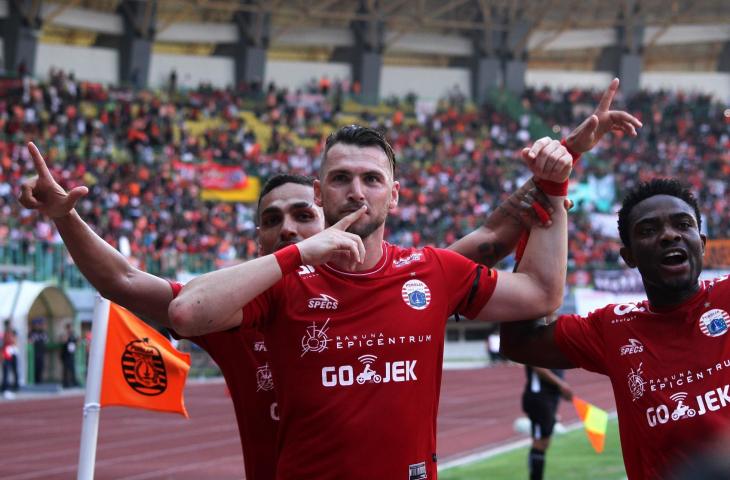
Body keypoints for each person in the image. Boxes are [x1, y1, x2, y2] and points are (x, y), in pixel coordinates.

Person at [19, 161, 553, 480]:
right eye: (272, 220)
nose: (289, 228)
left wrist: (556, 169)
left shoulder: (392, 283)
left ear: (333, 220)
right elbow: (126, 283)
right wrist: (65, 217)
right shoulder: (236, 311)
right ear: (258, 239)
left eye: (303, 215)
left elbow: (486, 240)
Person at [167, 125, 576, 479]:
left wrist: (554, 188)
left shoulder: (432, 270)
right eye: (340, 178)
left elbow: (541, 293)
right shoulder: (284, 280)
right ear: (319, 193)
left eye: (372, 180)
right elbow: (186, 312)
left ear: (393, 195)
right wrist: (299, 254)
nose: (356, 192)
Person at [500, 178, 730, 479]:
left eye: (682, 224)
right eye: (648, 230)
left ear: (701, 243)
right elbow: (519, 342)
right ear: (629, 257)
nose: (669, 235)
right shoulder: (612, 328)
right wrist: (537, 231)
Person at [522, 365, 572, 480]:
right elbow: (537, 367)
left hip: (549, 398)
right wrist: (561, 385)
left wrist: (560, 388)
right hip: (539, 396)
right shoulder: (536, 347)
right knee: (539, 443)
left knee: (544, 442)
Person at [29, 318, 49, 384]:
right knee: (34, 367)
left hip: (41, 352)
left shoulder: (43, 332)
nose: (38, 326)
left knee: (41, 366)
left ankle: (39, 380)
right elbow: (30, 341)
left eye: (39, 324)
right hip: (34, 353)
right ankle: (34, 380)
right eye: (36, 324)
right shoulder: (32, 332)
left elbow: (46, 341)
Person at [2, 320, 19, 394]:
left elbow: (15, 341)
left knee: (15, 370)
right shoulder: (3, 333)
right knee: (6, 371)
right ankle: (5, 387)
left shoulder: (14, 332)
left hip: (13, 352)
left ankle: (16, 386)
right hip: (6, 354)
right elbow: (3, 344)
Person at [60, 323, 79, 388]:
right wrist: (66, 336)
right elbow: (63, 341)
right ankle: (65, 383)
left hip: (71, 354)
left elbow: (77, 342)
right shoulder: (65, 335)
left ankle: (73, 381)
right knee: (66, 369)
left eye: (70, 328)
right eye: (68, 328)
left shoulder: (73, 335)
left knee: (72, 368)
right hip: (66, 354)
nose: (70, 329)